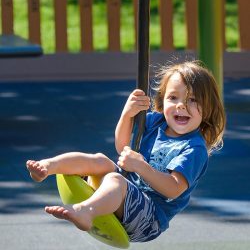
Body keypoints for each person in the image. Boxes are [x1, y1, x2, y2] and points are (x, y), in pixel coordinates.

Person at [26, 60, 225, 242]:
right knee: (101, 160)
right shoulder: (156, 122)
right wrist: (127, 114)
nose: (181, 105)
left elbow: (173, 188)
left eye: (192, 100)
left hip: (149, 219)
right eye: (173, 97)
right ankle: (46, 167)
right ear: (163, 100)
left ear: (208, 107)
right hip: (125, 194)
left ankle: (85, 211)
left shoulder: (193, 148)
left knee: (116, 180)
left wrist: (141, 167)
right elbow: (122, 147)